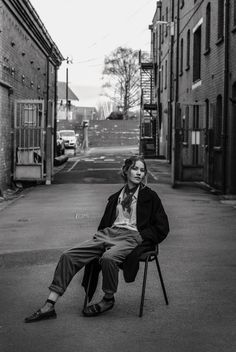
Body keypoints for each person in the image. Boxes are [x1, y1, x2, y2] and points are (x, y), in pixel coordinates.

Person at [24, 155, 169, 322]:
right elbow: (103, 225)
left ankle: (108, 299)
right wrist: (100, 238)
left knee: (108, 258)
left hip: (131, 237)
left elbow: (162, 227)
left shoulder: (150, 196)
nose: (139, 173)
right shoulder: (115, 197)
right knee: (68, 256)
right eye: (135, 169)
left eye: (142, 170)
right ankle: (49, 305)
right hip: (108, 234)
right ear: (126, 171)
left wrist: (140, 236)